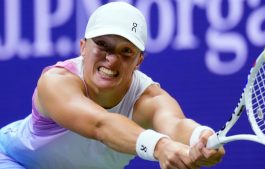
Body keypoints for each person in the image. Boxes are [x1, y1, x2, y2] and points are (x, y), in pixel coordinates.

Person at [0, 2, 225, 169]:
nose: (112, 59)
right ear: (83, 47)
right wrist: (160, 146)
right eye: (102, 45)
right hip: (12, 160)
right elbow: (101, 125)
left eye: (126, 51)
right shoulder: (56, 82)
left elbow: (176, 125)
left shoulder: (148, 99)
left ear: (139, 61)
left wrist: (200, 137)